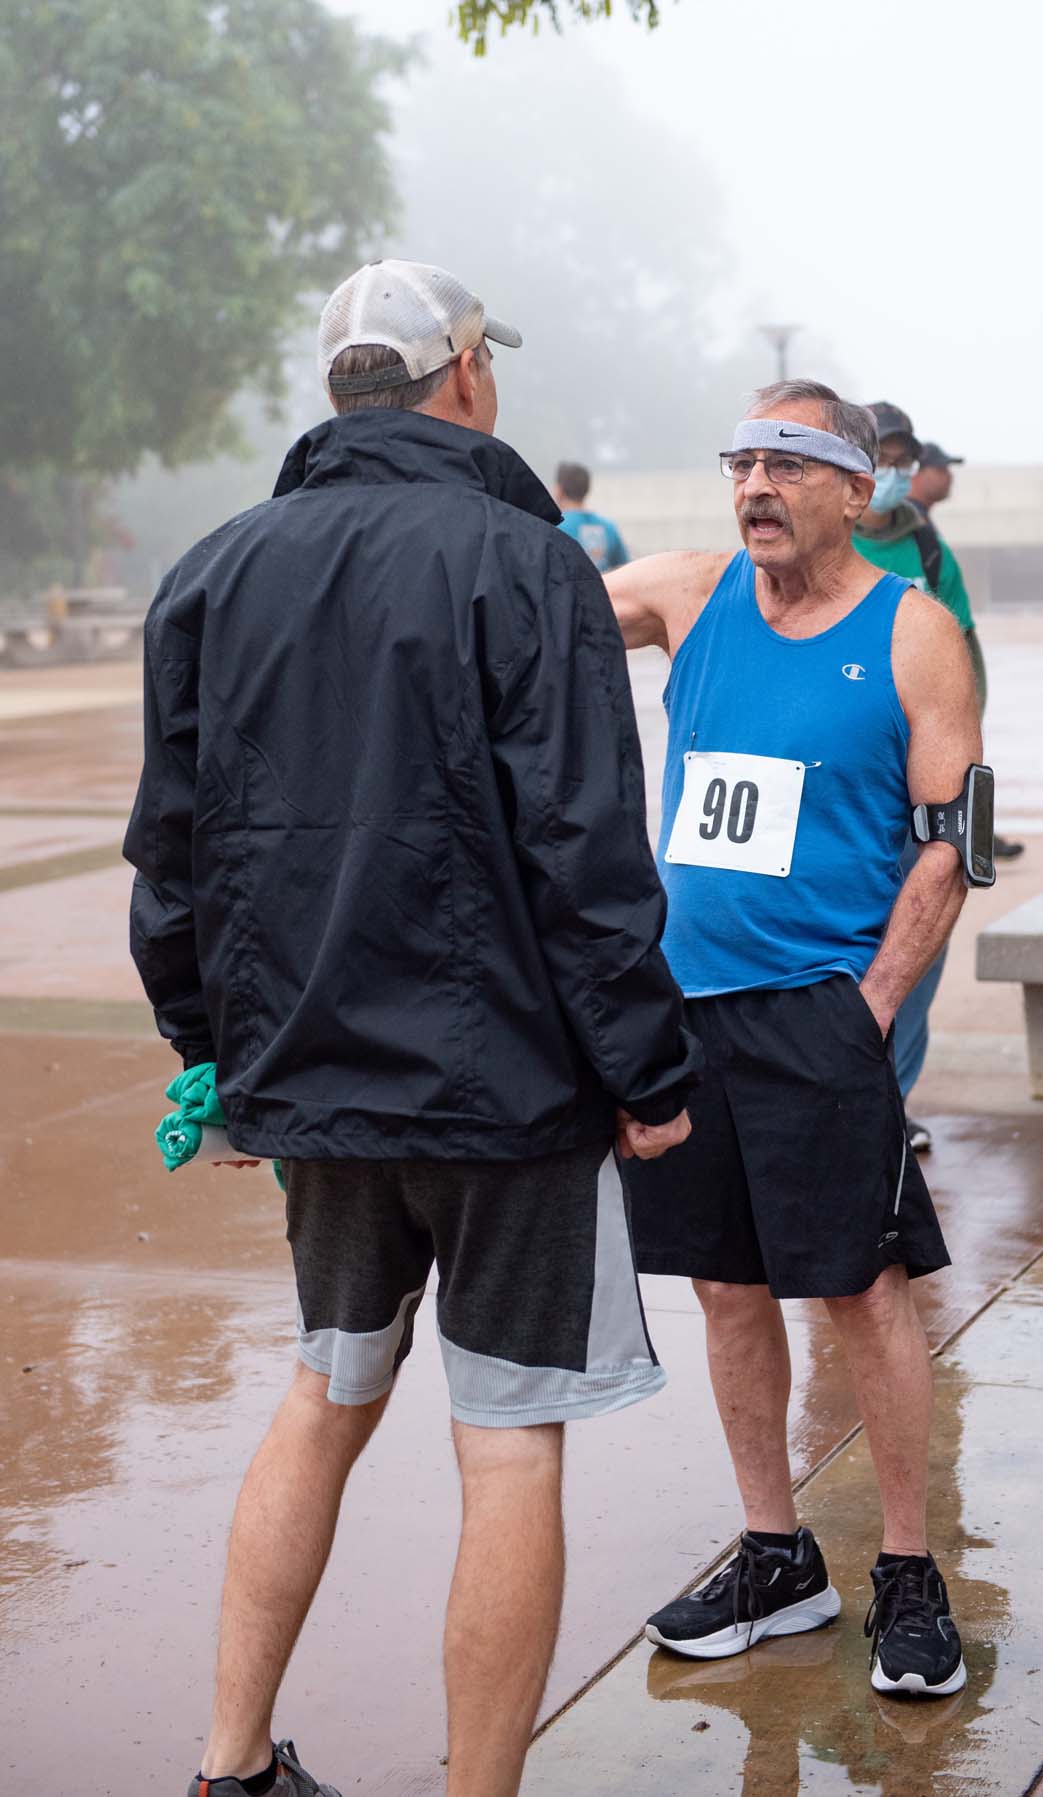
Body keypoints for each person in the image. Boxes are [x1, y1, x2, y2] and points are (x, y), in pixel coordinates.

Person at [125, 258, 700, 1797]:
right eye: (481, 359)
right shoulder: (527, 567)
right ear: (460, 371)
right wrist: (647, 1072)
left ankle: (229, 1765)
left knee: (324, 1396)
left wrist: (214, 1058)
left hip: (308, 1083)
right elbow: (587, 850)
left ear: (337, 386)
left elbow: (166, 862)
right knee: (507, 1440)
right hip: (506, 1090)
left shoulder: (211, 574)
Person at [606, 377, 982, 1700]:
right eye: (741, 463)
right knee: (724, 1283)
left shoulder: (912, 631)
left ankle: (904, 1567)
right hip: (688, 1008)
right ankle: (777, 1554)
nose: (756, 487)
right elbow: (525, 598)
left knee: (860, 1288)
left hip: (822, 1010)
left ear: (855, 486)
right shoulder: (694, 595)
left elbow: (956, 845)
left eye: (786, 465)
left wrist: (871, 1005)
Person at [911, 438, 1025, 869]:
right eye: (942, 468)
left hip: (955, 645)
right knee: (949, 758)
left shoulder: (920, 524)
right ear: (919, 473)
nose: (949, 477)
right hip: (939, 658)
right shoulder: (911, 529)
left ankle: (976, 832)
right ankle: (959, 837)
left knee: (965, 757)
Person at [554, 460, 630, 572]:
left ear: (559, 490)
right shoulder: (609, 528)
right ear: (587, 489)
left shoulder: (554, 528)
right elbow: (625, 569)